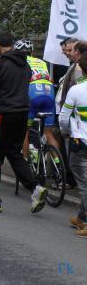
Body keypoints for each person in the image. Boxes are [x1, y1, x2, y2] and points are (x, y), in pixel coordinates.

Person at [0, 31, 47, 214]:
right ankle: (35, 188)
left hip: (4, 114)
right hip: (23, 113)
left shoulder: (0, 65)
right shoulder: (25, 65)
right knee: (14, 153)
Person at [14, 39, 62, 157]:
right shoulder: (41, 62)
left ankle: (24, 164)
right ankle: (57, 166)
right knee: (49, 133)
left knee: (24, 131)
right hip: (49, 93)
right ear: (31, 51)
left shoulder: (18, 61)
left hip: (32, 94)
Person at [59, 54, 87, 238]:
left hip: (81, 143)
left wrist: (66, 131)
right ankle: (81, 217)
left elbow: (63, 118)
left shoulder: (76, 90)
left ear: (82, 69)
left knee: (84, 184)